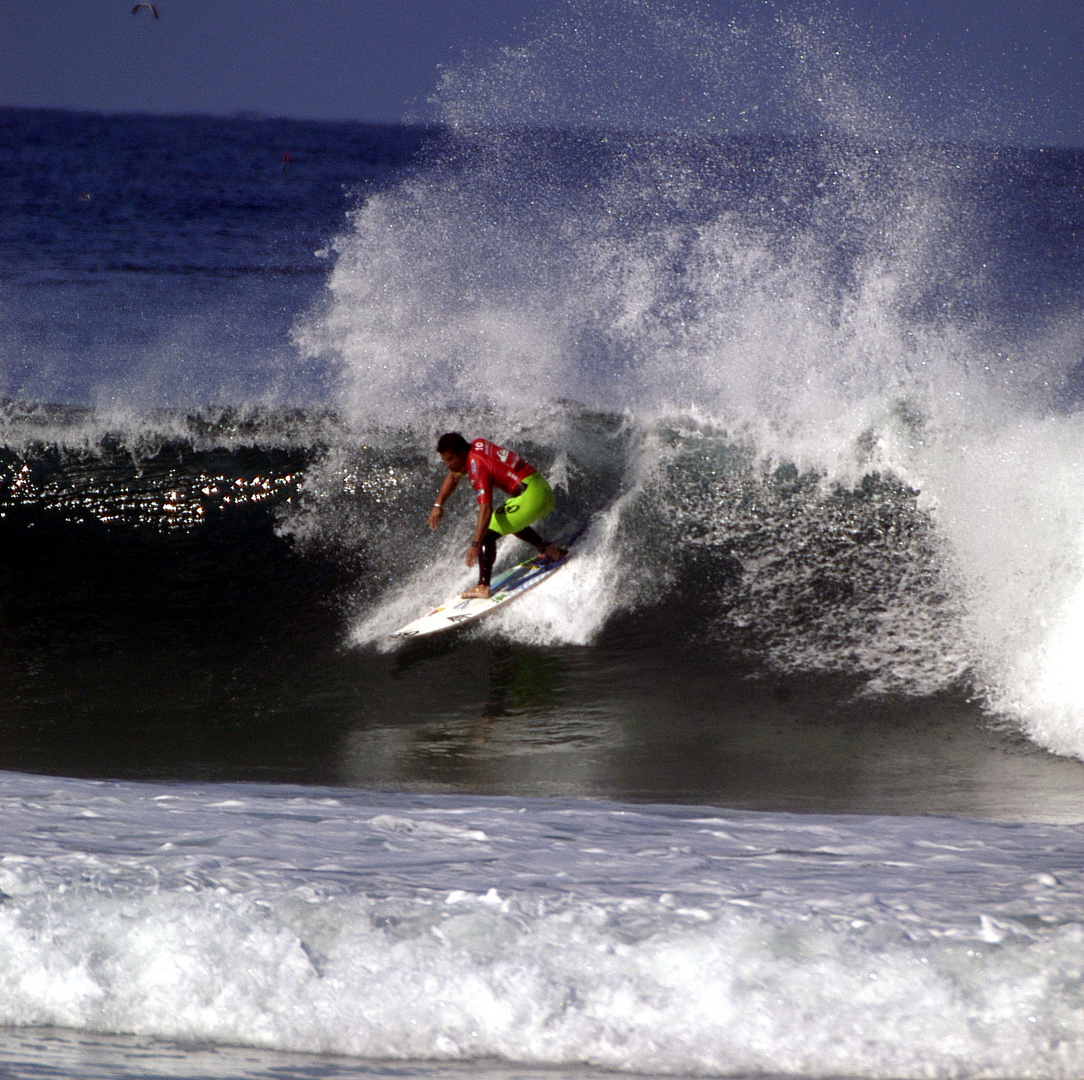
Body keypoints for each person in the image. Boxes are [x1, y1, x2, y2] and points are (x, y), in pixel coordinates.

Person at [428, 432, 564, 599]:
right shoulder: (476, 444)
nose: (447, 465)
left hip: (532, 498)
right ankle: (547, 548)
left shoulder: (477, 466)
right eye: (445, 460)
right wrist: (438, 504)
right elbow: (453, 476)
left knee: (486, 534)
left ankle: (483, 587)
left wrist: (476, 543)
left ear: (461, 453)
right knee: (505, 519)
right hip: (542, 490)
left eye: (450, 459)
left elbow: (486, 508)